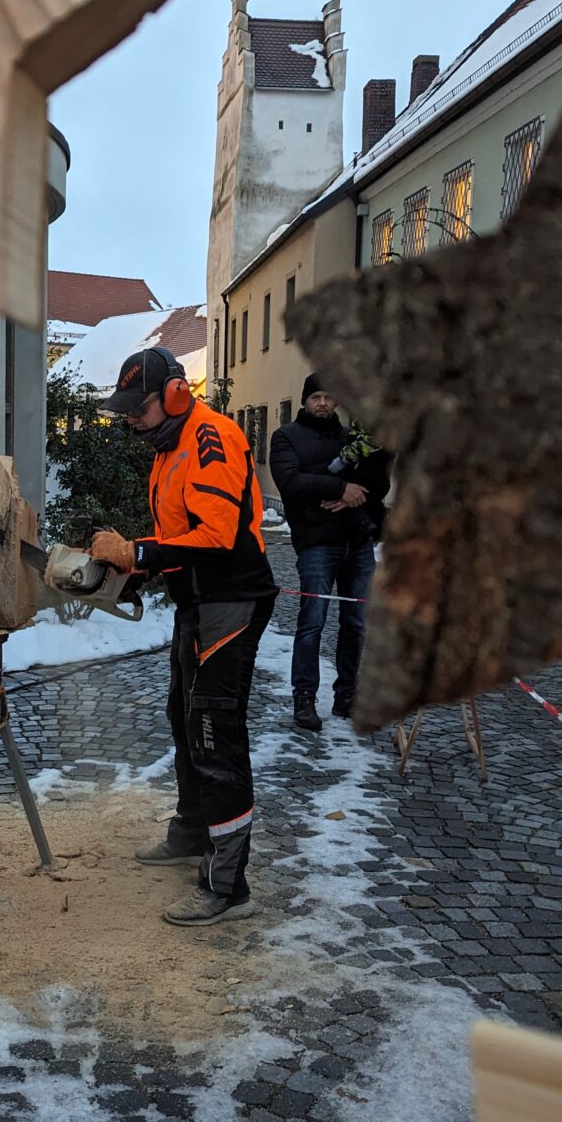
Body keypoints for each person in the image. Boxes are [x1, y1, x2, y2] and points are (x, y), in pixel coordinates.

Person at [90, 346, 278, 927]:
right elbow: (180, 533)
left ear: (174, 394)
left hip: (230, 599)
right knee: (183, 716)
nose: (130, 420)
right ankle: (193, 830)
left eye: (137, 408)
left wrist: (139, 551)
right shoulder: (168, 447)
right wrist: (138, 564)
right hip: (197, 600)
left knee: (214, 734)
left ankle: (227, 886)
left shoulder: (210, 439)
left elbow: (217, 536)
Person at [269, 373, 390, 732]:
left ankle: (347, 695)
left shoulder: (350, 437)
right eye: (316, 397)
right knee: (312, 621)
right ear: (305, 400)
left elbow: (377, 482)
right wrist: (340, 488)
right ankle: (304, 698)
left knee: (356, 623)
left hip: (358, 542)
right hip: (317, 542)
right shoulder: (285, 437)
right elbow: (290, 482)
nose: (323, 403)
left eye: (329, 397)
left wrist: (357, 493)